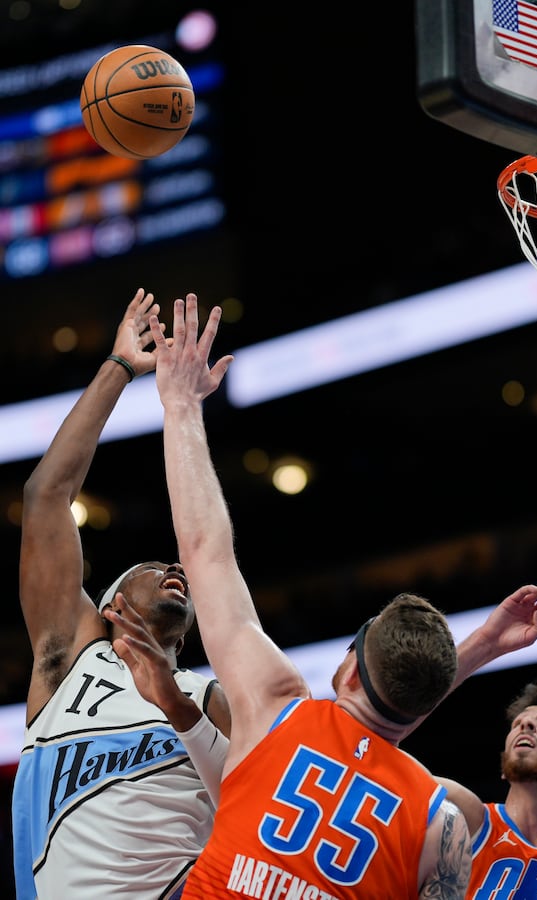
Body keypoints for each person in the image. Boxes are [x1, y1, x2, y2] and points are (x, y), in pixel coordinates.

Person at [106, 294, 473, 899]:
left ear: (347, 667)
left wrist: (181, 405)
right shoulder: (443, 823)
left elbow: (205, 550)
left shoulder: (276, 701)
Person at [12, 289, 231, 900]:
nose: (175, 569)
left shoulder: (207, 698)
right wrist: (118, 370)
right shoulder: (69, 662)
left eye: (179, 569)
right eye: (155, 565)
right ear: (108, 609)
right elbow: (45, 499)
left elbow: (268, 805)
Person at [416, 588, 537, 899]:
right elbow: (378, 747)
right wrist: (485, 643)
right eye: (518, 724)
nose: (526, 724)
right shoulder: (466, 817)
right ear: (504, 768)